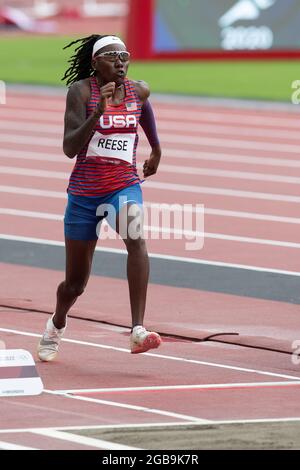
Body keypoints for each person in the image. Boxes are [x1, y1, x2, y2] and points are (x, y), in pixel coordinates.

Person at [37, 34, 162, 361]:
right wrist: (99, 114)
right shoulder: (80, 93)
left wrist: (157, 148)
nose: (120, 62)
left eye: (125, 55)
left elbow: (143, 111)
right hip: (85, 193)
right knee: (75, 285)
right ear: (95, 63)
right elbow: (69, 148)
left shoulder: (139, 89)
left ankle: (138, 329)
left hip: (123, 183)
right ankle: (56, 323)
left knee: (136, 236)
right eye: (111, 57)